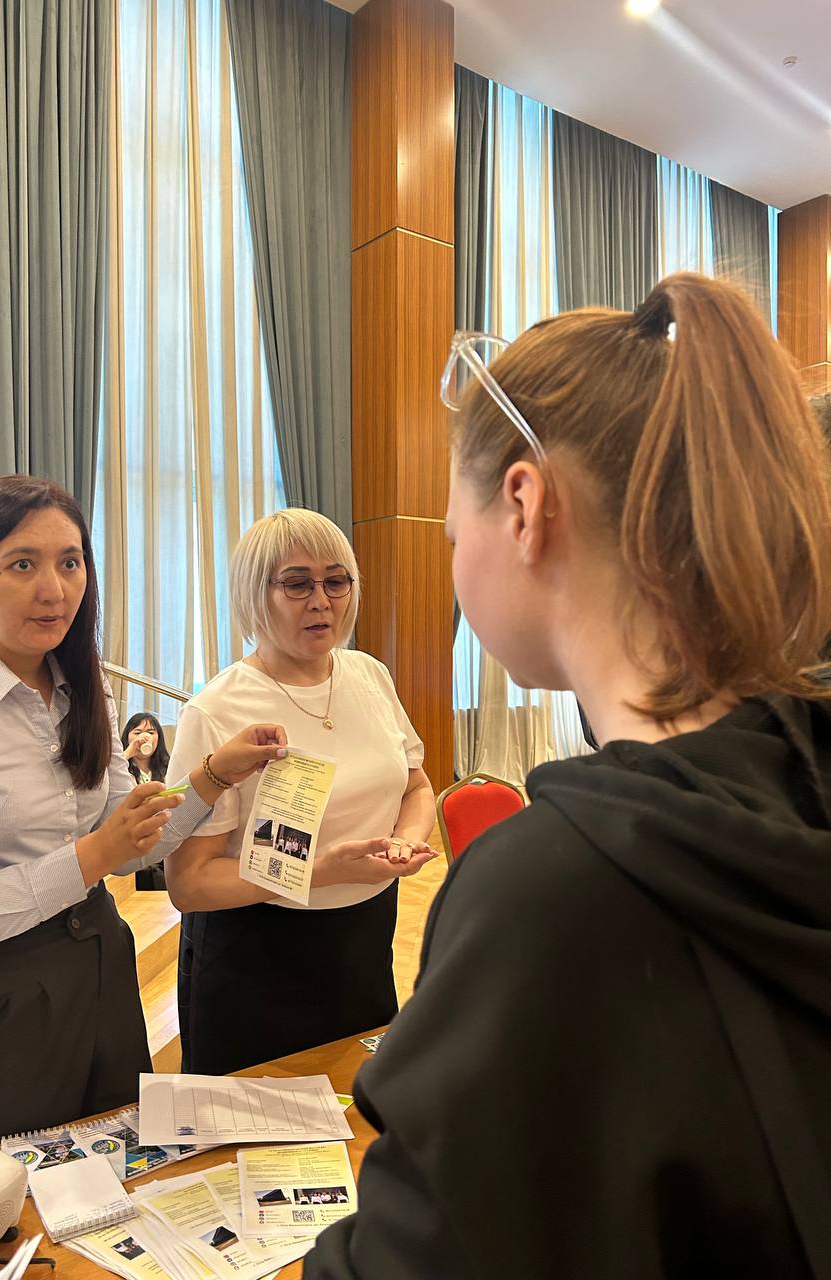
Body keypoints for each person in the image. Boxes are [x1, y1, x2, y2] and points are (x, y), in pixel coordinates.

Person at [303, 274, 831, 1279]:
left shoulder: (549, 891)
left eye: (449, 532)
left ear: (523, 505)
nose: (453, 559)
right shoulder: (803, 776)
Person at [0, 475, 286, 1144]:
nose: (55, 589)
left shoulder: (81, 681)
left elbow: (135, 842)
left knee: (120, 1175)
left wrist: (212, 777)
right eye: (22, 565)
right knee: (13, 1196)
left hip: (98, 968)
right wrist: (96, 854)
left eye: (70, 563)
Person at [165, 508, 438, 1075]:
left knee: (358, 1107)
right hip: (257, 953)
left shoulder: (370, 676)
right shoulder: (218, 710)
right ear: (254, 593)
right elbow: (189, 883)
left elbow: (416, 786)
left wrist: (406, 842)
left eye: (336, 581)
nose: (321, 601)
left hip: (365, 937)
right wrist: (321, 871)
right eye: (297, 584)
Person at [122, 711, 172, 890]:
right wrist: (129, 752)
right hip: (133, 840)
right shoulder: (121, 768)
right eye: (137, 732)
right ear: (127, 736)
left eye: (151, 732)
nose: (144, 737)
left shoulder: (169, 768)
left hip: (165, 838)